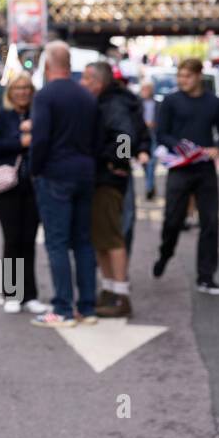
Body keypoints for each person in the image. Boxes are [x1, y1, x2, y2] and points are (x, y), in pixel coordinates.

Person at [28, 41, 99, 328]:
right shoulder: (87, 96)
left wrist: (34, 170)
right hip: (84, 173)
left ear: (47, 65)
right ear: (70, 65)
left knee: (56, 243)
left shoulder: (45, 96)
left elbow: (40, 139)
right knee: (83, 241)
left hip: (55, 173)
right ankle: (88, 307)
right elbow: (98, 139)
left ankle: (63, 309)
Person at [153, 58, 219, 295]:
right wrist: (180, 146)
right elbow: (161, 133)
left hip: (205, 168)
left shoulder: (214, 103)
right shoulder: (170, 101)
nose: (182, 81)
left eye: (186, 76)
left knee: (210, 222)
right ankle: (165, 254)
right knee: (172, 221)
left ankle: (206, 277)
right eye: (180, 76)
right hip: (179, 168)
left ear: (199, 76)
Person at [0, 72, 47, 315]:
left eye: (26, 88)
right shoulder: (0, 116)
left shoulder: (39, 115)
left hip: (34, 184)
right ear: (10, 92)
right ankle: (12, 294)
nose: (22, 92)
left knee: (29, 239)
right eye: (18, 88)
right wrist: (20, 139)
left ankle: (30, 295)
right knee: (12, 239)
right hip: (6, 185)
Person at [81, 62, 135, 318]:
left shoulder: (113, 105)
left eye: (85, 78)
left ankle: (121, 296)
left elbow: (125, 137)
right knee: (101, 239)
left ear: (97, 82)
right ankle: (110, 290)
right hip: (101, 177)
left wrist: (116, 163)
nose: (82, 83)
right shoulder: (104, 102)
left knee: (112, 238)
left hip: (108, 180)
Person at [139, 80, 159, 201]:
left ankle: (149, 187)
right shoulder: (137, 104)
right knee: (145, 163)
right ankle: (150, 184)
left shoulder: (158, 104)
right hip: (141, 135)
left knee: (152, 162)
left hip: (153, 134)